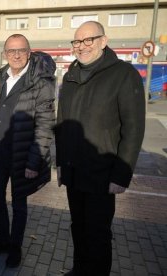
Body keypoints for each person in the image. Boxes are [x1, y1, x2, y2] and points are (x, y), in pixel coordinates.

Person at [55, 21, 145, 276]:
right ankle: (80, 269)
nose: (81, 47)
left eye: (88, 40)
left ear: (103, 41)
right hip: (73, 172)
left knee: (98, 234)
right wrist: (60, 164)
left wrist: (121, 175)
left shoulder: (123, 74)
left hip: (102, 175)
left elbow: (133, 128)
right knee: (78, 227)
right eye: (77, 41)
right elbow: (62, 123)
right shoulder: (70, 75)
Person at [0, 34, 56, 268]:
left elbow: (44, 125)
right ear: (5, 54)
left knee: (19, 205)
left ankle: (15, 247)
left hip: (22, 157)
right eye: (11, 51)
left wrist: (33, 162)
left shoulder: (41, 81)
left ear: (29, 52)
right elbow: (1, 102)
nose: (16, 55)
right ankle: (2, 240)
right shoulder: (4, 75)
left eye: (20, 50)